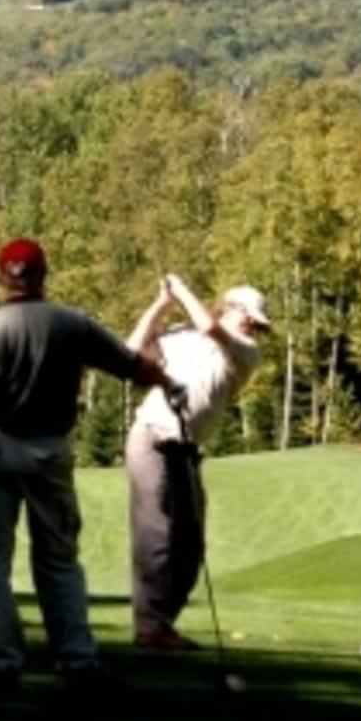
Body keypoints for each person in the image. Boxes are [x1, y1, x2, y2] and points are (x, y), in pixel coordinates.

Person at [0, 237, 172, 689]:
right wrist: (169, 381)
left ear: (0, 276)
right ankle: (75, 659)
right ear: (44, 274)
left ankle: (1, 661)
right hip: (47, 451)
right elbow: (132, 366)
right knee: (58, 560)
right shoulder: (71, 325)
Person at [123, 275, 271, 649]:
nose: (253, 324)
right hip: (151, 437)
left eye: (256, 320)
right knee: (156, 534)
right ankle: (150, 627)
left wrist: (180, 288)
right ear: (229, 307)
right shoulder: (182, 337)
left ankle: (161, 623)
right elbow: (132, 350)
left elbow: (208, 325)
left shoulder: (245, 350)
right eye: (247, 315)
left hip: (187, 449)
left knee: (190, 545)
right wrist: (160, 304)